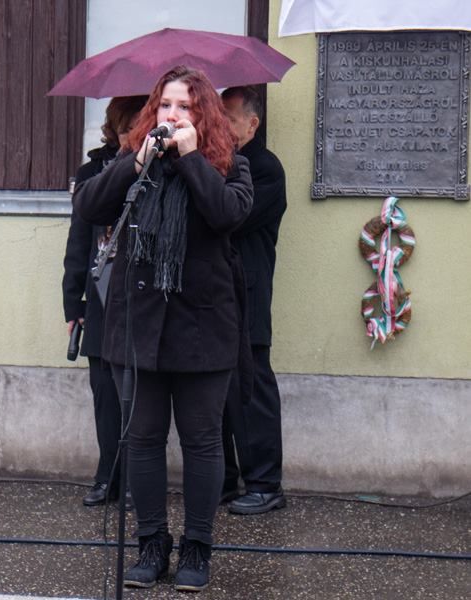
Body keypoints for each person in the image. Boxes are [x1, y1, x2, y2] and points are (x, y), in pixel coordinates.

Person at [73, 66, 253, 593]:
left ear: (203, 115)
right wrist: (135, 162)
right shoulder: (135, 161)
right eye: (166, 105)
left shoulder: (230, 165)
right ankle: (151, 543)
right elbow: (88, 206)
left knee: (202, 440)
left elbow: (227, 215)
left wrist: (192, 158)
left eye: (185, 106)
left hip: (203, 326)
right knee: (143, 438)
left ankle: (197, 546)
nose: (173, 115)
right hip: (140, 324)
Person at [62, 95, 147, 509]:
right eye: (127, 127)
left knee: (137, 396)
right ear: (114, 129)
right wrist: (72, 304)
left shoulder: (157, 169)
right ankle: (106, 476)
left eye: (139, 127)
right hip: (99, 294)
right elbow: (78, 242)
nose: (133, 136)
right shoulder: (92, 172)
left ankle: (134, 480)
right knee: (104, 393)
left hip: (140, 298)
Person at [220, 86, 288, 515]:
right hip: (217, 293)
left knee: (253, 387)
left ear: (252, 123)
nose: (223, 126)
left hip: (248, 291)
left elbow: (231, 218)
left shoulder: (265, 169)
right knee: (218, 389)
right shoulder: (221, 164)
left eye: (229, 118)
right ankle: (226, 478)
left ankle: (265, 483)